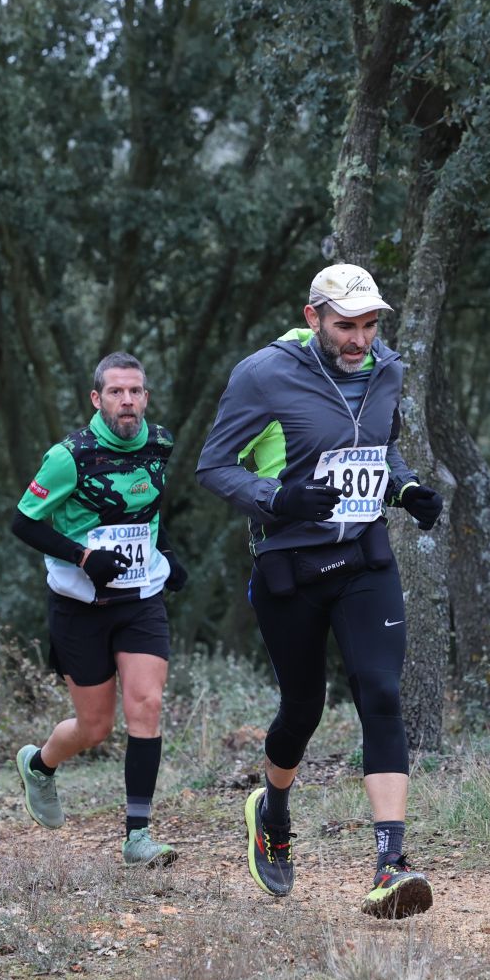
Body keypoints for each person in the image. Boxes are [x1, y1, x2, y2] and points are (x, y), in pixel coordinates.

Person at [197, 264, 444, 919]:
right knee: (303, 708)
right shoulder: (265, 374)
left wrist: (406, 488)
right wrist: (279, 497)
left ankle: (392, 862)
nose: (361, 339)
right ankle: (271, 810)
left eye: (369, 325)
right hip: (290, 565)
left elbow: (378, 451)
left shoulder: (386, 370)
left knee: (382, 693)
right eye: (346, 326)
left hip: (364, 558)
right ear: (313, 318)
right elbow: (213, 465)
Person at [10, 352, 184, 869]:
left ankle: (138, 836)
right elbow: (24, 523)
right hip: (79, 605)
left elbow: (147, 509)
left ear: (145, 397)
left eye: (135, 391)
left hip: (140, 598)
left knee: (146, 706)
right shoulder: (69, 456)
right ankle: (40, 765)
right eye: (115, 392)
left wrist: (169, 556)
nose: (126, 401)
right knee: (94, 727)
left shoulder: (160, 443)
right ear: (97, 398)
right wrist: (84, 556)